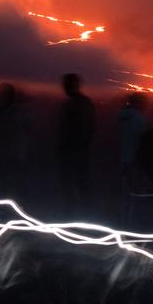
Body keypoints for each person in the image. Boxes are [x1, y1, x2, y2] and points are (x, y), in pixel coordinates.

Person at [56, 73, 95, 215]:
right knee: (80, 183)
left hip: (73, 150)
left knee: (73, 182)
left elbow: (68, 129)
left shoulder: (73, 104)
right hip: (80, 150)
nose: (64, 87)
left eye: (66, 84)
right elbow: (91, 127)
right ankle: (85, 213)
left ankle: (74, 212)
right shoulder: (85, 103)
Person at [117, 92, 148, 223]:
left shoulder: (122, 116)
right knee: (134, 191)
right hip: (134, 159)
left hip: (122, 157)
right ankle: (131, 220)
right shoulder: (138, 119)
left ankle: (122, 217)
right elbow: (143, 140)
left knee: (124, 189)